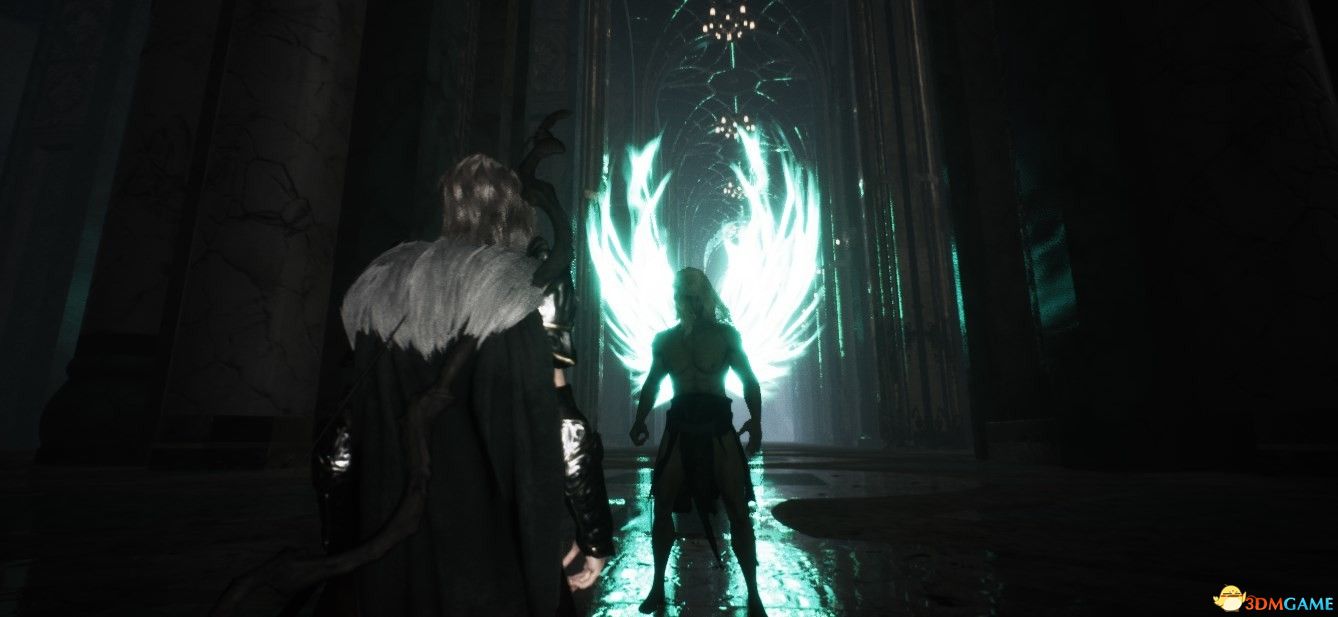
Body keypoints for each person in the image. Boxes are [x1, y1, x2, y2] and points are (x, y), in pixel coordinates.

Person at [321, 153, 611, 616]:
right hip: (494, 544)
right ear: (517, 210)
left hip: (399, 541)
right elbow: (564, 427)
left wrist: (341, 546)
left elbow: (340, 444)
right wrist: (594, 534)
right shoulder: (528, 284)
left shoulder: (385, 281)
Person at [628, 267, 766, 616]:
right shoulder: (666, 341)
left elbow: (749, 380)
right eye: (683, 294)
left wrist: (757, 423)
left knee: (738, 511)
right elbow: (652, 383)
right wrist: (640, 419)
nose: (688, 301)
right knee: (662, 507)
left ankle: (754, 594)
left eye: (693, 294)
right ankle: (657, 586)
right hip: (680, 428)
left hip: (717, 429)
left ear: (704, 296)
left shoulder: (725, 336)